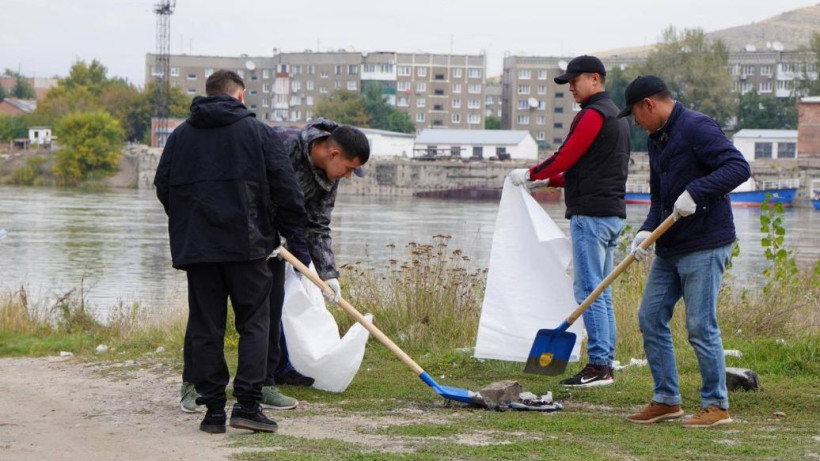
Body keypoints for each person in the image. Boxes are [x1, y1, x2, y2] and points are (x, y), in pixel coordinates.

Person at [155, 70, 312, 433]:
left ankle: (211, 412)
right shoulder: (258, 132)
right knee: (255, 324)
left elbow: (164, 187)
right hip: (249, 246)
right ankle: (247, 405)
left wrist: (192, 223)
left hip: (199, 249)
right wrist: (295, 242)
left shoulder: (180, 136)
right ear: (240, 96)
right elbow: (287, 190)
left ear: (208, 95)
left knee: (206, 326)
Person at [618, 76, 750, 427]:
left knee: (699, 325)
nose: (635, 122)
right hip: (669, 245)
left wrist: (696, 191)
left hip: (706, 243)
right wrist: (646, 231)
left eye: (634, 113)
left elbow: (739, 168)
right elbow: (660, 199)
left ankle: (716, 404)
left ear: (649, 104)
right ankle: (666, 399)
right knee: (650, 316)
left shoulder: (697, 127)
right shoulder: (655, 139)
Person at [508, 55, 630, 387]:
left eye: (574, 82)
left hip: (590, 216)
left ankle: (600, 365)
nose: (571, 89)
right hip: (611, 213)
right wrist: (550, 182)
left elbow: (568, 156)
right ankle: (605, 362)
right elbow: (593, 170)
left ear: (594, 78)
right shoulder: (618, 117)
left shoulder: (592, 115)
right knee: (601, 291)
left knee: (589, 290)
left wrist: (532, 172)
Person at [261, 118, 370, 407]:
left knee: (282, 300)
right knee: (262, 305)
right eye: (348, 169)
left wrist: (328, 273)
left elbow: (318, 224)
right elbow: (256, 194)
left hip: (286, 239)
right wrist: (268, 235)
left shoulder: (328, 176)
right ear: (334, 154)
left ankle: (281, 368)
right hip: (257, 234)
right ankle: (261, 377)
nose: (347, 176)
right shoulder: (283, 146)